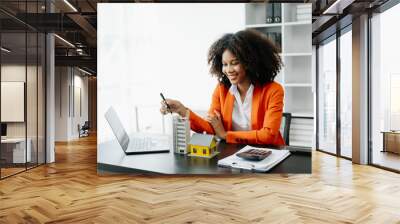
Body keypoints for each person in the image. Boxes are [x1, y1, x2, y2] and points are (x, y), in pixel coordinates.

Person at [160, 29, 285, 146]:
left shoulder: (273, 90)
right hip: (235, 156)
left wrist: (226, 135)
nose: (229, 70)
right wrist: (182, 110)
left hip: (270, 154)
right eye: (225, 64)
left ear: (249, 62)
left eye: (235, 63)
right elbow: (210, 127)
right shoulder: (221, 90)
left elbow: (268, 135)